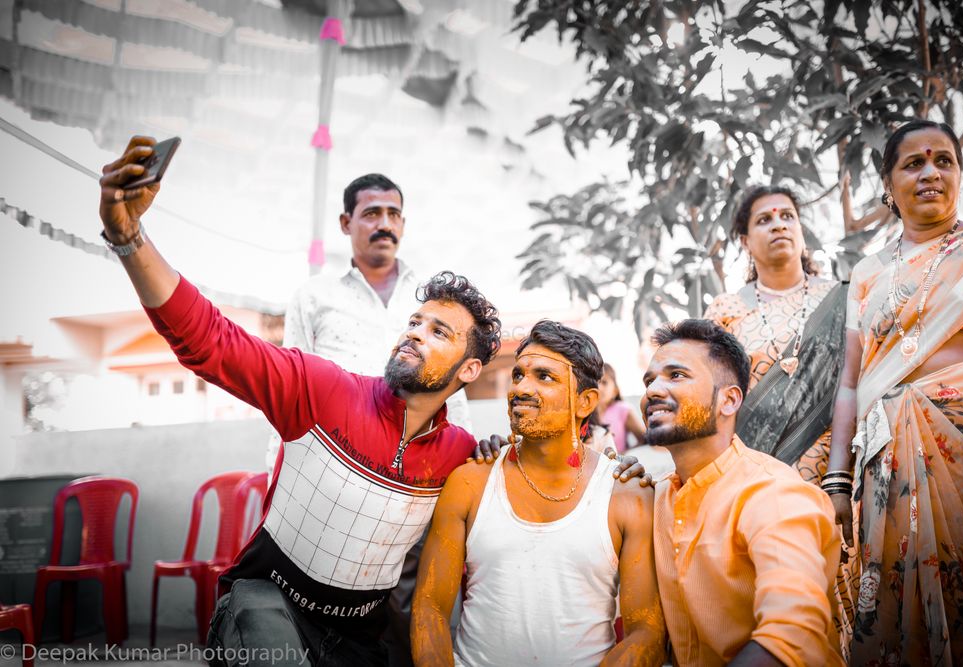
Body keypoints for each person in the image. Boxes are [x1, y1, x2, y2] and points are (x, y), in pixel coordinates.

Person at [97, 136, 504, 666]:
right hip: (268, 605)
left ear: (469, 370)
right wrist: (128, 237)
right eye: (413, 322)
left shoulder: (458, 456)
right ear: (346, 223)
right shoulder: (319, 387)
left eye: (439, 331)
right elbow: (210, 340)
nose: (415, 333)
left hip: (362, 632)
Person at [266, 173, 471, 666]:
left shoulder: (431, 302)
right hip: (333, 481)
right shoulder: (314, 297)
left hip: (419, 484)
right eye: (372, 213)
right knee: (320, 608)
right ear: (346, 223)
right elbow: (288, 394)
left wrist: (460, 477)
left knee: (409, 606)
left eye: (394, 214)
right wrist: (275, 478)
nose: (385, 224)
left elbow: (455, 398)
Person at [828, 119, 963, 665]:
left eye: (944, 160)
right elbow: (851, 381)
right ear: (888, 182)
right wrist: (837, 479)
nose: (930, 172)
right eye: (914, 162)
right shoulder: (868, 274)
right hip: (888, 467)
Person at [411, 321, 665, 667]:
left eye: (545, 377)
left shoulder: (627, 494)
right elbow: (430, 606)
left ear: (586, 401)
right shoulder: (470, 482)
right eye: (518, 375)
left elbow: (645, 632)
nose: (521, 388)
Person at [705, 184, 856, 654]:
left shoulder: (842, 298)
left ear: (801, 229)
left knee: (836, 600)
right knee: (769, 596)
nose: (778, 225)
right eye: (763, 220)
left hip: (833, 474)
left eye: (787, 215)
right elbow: (714, 398)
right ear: (746, 241)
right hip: (754, 478)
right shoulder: (725, 311)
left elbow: (857, 385)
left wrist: (840, 478)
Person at [646, 319, 844, 666]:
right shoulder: (654, 497)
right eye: (650, 380)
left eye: (676, 375)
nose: (652, 390)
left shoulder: (775, 495)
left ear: (728, 400)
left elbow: (792, 635)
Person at [591, 363, 645, 454]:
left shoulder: (623, 410)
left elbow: (644, 439)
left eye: (604, 382)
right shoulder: (584, 414)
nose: (599, 387)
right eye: (596, 382)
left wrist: (624, 455)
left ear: (615, 391)